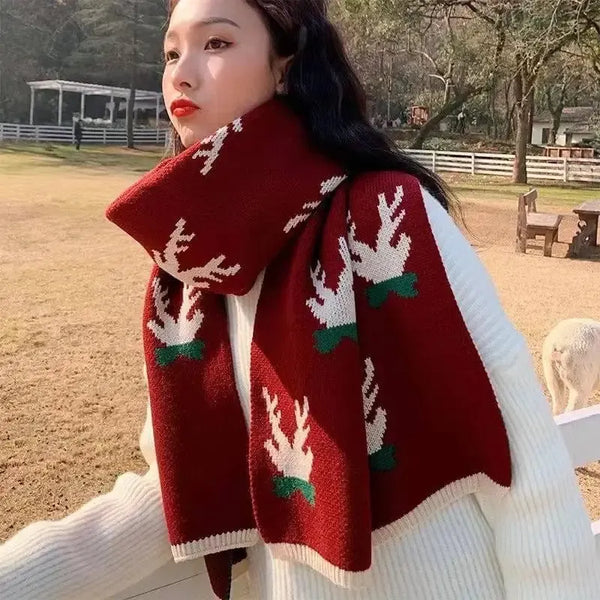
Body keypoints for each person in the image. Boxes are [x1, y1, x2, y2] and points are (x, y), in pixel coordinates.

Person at [0, 1, 598, 599]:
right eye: (171, 52)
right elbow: (181, 487)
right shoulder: (188, 277)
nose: (181, 74)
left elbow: (527, 459)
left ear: (284, 66)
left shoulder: (391, 214)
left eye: (216, 44)